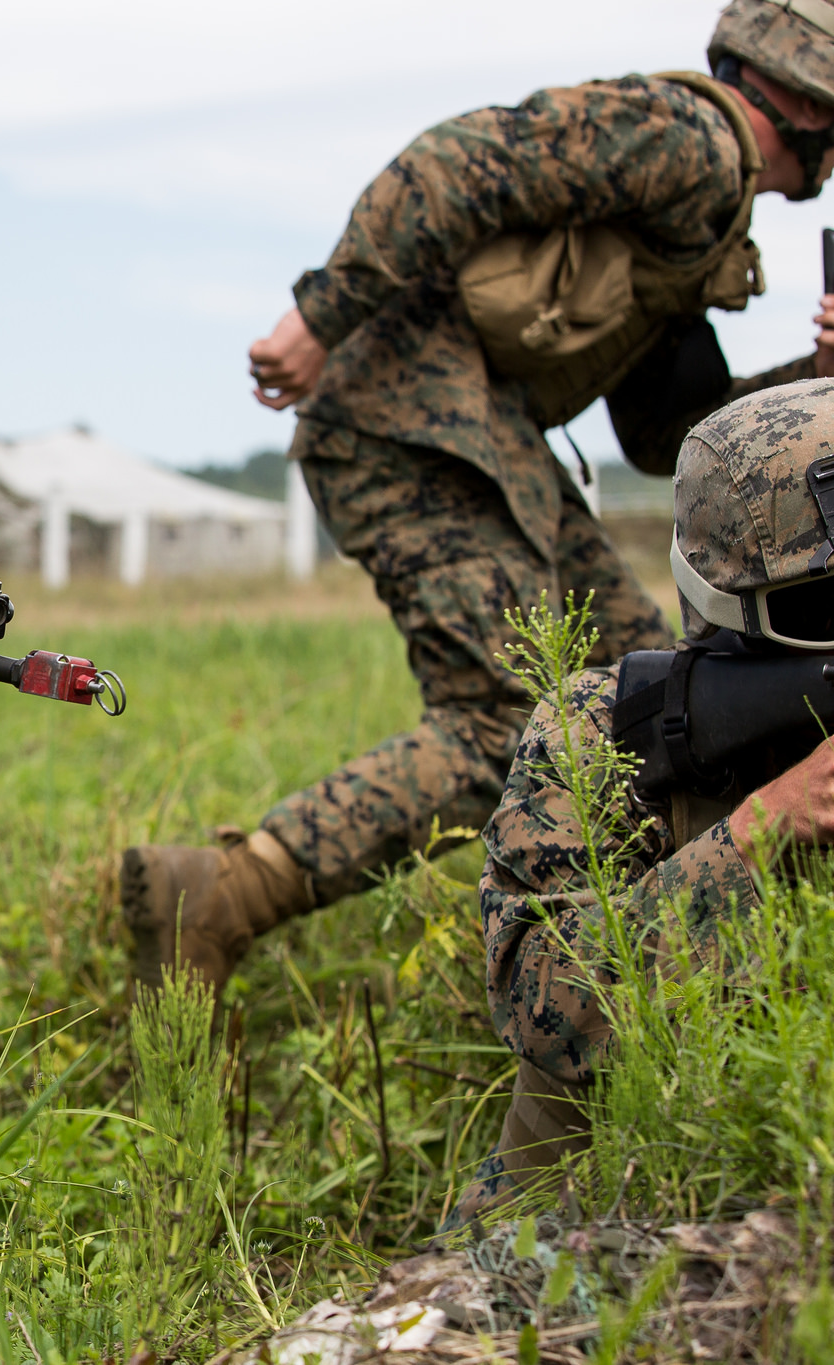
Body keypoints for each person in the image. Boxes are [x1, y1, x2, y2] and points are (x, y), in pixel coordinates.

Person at [123, 0, 834, 992]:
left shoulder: (702, 216)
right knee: (507, 717)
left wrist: (817, 368)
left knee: (655, 692)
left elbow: (673, 437)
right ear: (807, 97)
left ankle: (642, 962)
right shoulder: (688, 141)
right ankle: (221, 895)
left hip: (482, 443)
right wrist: (317, 317)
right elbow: (451, 162)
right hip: (403, 427)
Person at [463, 377, 834, 1217]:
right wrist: (768, 828)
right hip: (587, 1214)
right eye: (823, 604)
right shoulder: (603, 735)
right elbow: (543, 1002)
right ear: (723, 597)